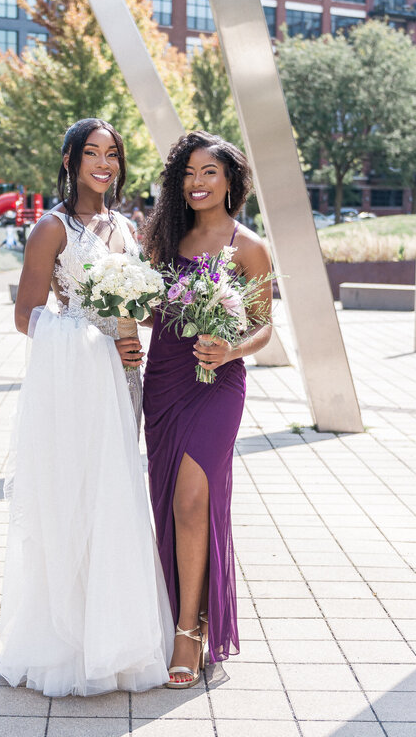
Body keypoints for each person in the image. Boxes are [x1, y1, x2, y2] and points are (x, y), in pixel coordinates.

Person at [0, 118, 174, 697]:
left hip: (123, 382)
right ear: (70, 161)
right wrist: (90, 336)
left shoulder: (128, 227)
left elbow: (142, 308)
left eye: (113, 155)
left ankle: (120, 638)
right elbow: (27, 315)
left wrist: (133, 327)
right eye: (93, 153)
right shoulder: (51, 229)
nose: (105, 164)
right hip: (75, 385)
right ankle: (68, 645)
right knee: (74, 499)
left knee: (118, 498)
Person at [141, 131, 274, 688]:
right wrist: (119, 313)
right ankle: (166, 611)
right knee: (167, 500)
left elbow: (264, 327)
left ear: (230, 182)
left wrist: (230, 347)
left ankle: (190, 631)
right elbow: (149, 312)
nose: (197, 182)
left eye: (209, 172)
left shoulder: (249, 246)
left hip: (219, 382)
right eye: (189, 173)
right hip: (167, 378)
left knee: (194, 499)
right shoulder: (164, 239)